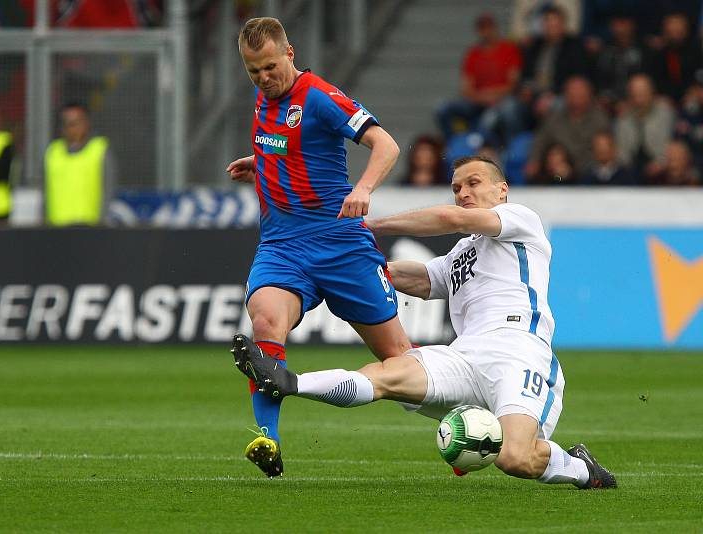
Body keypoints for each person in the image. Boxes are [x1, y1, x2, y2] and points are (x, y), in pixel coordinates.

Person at [233, 155, 617, 490]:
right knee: (392, 374)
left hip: (519, 352)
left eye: (473, 183)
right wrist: (344, 268)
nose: (463, 193)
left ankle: (581, 469)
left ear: (502, 190)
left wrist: (369, 226)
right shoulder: (462, 252)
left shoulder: (520, 220)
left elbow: (450, 218)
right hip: (464, 357)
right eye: (456, 187)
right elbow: (414, 278)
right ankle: (288, 382)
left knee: (514, 458)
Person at [225, 17, 410, 478]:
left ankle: (462, 417)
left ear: (290, 54)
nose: (264, 79)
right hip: (282, 247)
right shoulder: (263, 99)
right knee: (266, 320)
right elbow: (290, 144)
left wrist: (363, 188)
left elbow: (385, 145)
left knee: (399, 361)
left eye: (270, 67)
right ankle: (266, 438)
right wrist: (263, 161)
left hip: (340, 244)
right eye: (253, 72)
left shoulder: (320, 97)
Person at [435, 13, 523, 147]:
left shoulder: (509, 49)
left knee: (505, 111)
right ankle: (453, 145)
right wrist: (484, 98)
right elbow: (466, 88)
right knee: (443, 108)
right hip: (477, 101)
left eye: (489, 28)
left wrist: (492, 96)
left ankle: (511, 150)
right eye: (482, 28)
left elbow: (513, 84)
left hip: (501, 100)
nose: (486, 32)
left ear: (495, 28)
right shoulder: (472, 54)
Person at [44, 102, 115, 226]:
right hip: (56, 228)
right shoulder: (52, 153)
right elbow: (44, 191)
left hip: (89, 228)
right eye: (66, 123)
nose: (71, 128)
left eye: (75, 122)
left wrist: (101, 223)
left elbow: (107, 190)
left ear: (87, 124)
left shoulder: (99, 151)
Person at [525, 76, 609, 180]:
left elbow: (606, 149)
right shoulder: (553, 118)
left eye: (580, 92)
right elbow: (540, 141)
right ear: (565, 95)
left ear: (589, 95)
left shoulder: (600, 119)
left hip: (591, 172)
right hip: (558, 172)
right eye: (573, 92)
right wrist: (534, 160)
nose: (576, 96)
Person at [614, 74, 676, 182]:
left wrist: (662, 162)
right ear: (629, 95)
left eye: (643, 93)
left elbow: (674, 145)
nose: (639, 99)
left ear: (652, 93)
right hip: (630, 172)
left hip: (662, 169)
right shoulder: (623, 118)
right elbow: (621, 152)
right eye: (635, 94)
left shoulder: (666, 115)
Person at [647, 12, 703, 105]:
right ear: (664, 31)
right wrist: (660, 95)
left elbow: (699, 74)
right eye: (671, 31)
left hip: (692, 95)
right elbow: (653, 79)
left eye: (678, 31)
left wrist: (695, 90)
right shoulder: (657, 54)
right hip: (663, 98)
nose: (674, 35)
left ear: (686, 30)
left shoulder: (696, 51)